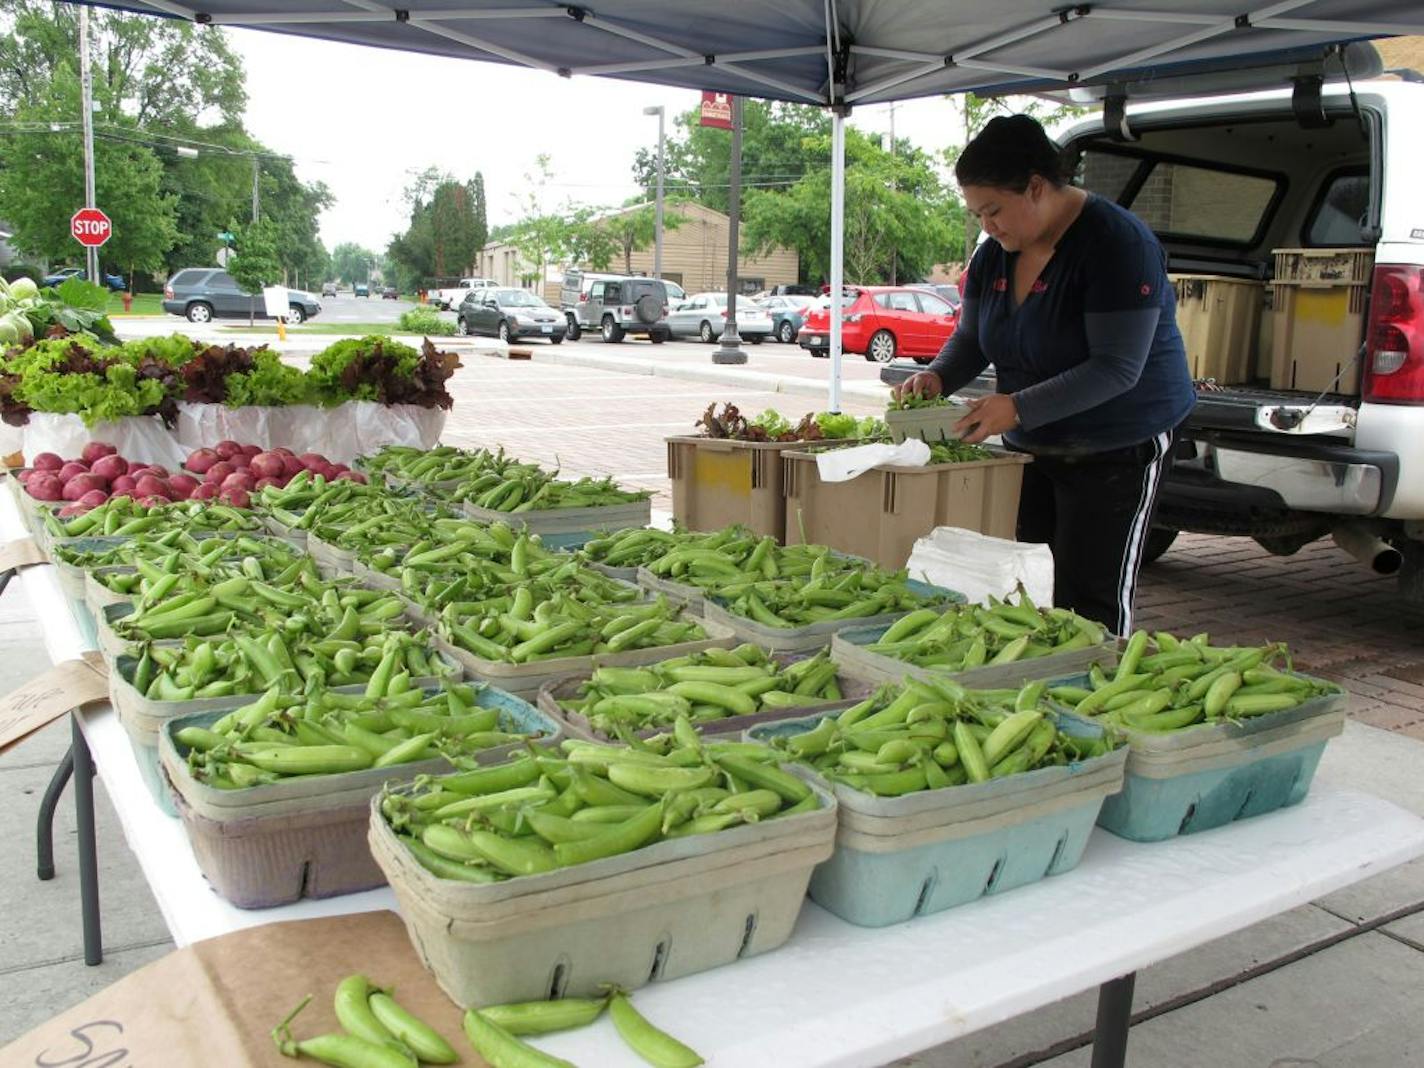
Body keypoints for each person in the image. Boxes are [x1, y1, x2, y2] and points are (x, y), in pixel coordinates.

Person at [895, 114, 1194, 636]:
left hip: (1117, 446)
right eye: (977, 214)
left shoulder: (1116, 244)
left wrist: (1015, 406)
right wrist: (939, 377)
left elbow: (1117, 367)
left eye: (993, 211)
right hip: (1035, 446)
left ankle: (1098, 696)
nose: (987, 226)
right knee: (1032, 584)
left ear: (1035, 187)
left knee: (1091, 596)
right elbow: (973, 337)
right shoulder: (994, 255)